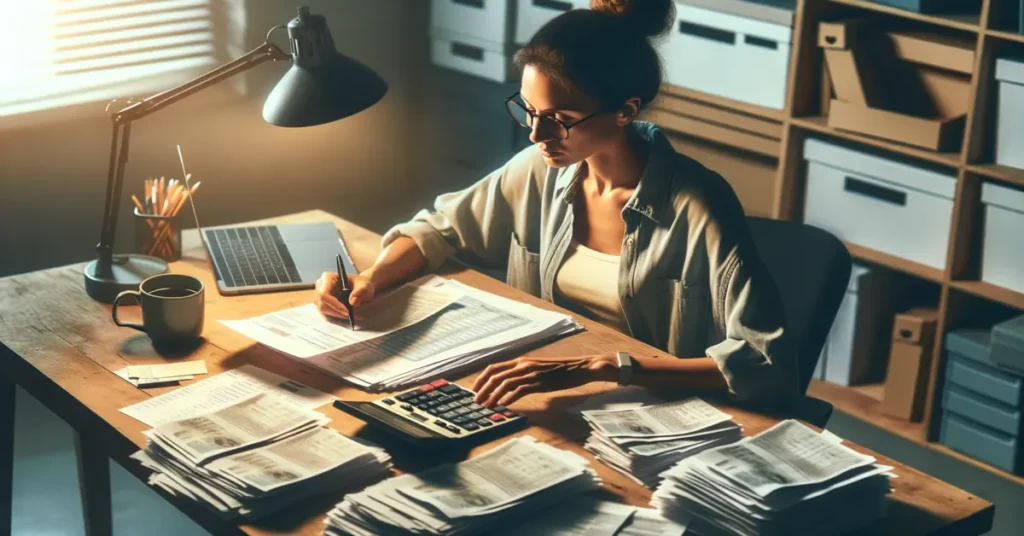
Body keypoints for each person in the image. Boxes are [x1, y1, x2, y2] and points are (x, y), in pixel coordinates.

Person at [314, 0, 798, 410]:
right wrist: (371, 280)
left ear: (626, 111)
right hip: (541, 393)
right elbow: (439, 230)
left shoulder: (698, 206)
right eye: (528, 111)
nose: (536, 134)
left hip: (649, 411)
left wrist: (612, 368)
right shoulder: (539, 168)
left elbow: (768, 362)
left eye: (560, 119)